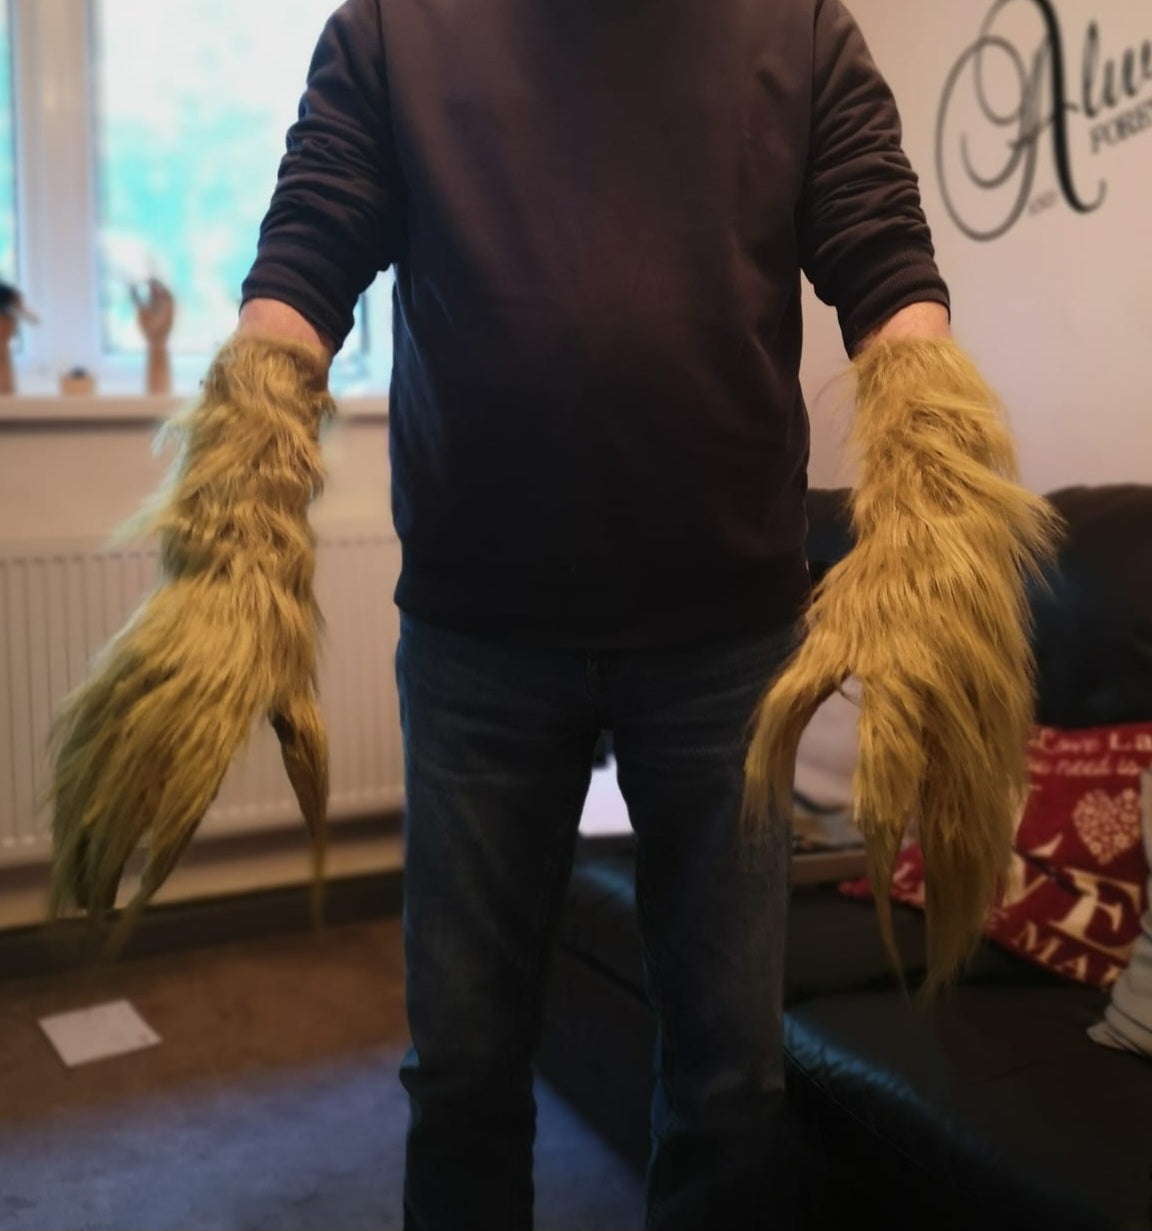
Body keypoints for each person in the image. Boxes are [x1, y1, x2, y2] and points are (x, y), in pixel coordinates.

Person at [47, 2, 1057, 1229]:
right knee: (463, 1063)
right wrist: (232, 525)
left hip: (727, 640)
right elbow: (305, 257)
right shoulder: (393, 28)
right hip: (481, 637)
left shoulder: (796, 26)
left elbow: (887, 264)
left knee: (732, 1076)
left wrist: (939, 512)